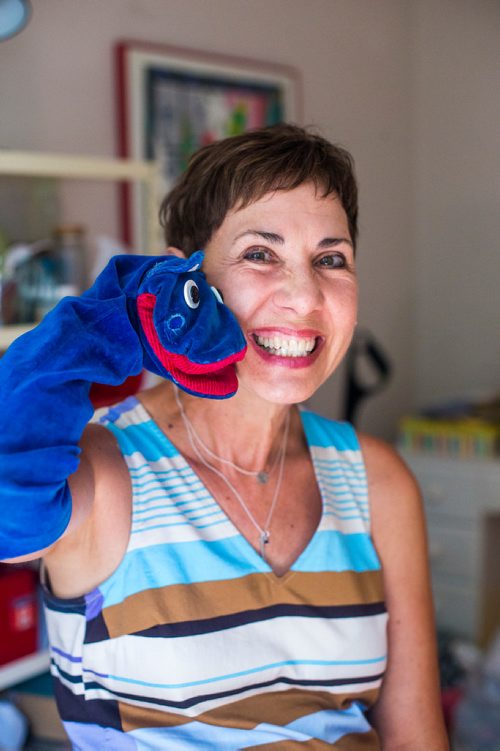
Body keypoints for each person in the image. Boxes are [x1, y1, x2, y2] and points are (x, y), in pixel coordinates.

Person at [0, 124, 448, 749]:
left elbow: (415, 735)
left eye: (330, 258)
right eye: (260, 254)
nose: (304, 296)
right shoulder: (105, 474)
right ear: (186, 277)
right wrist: (108, 325)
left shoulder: (377, 480)